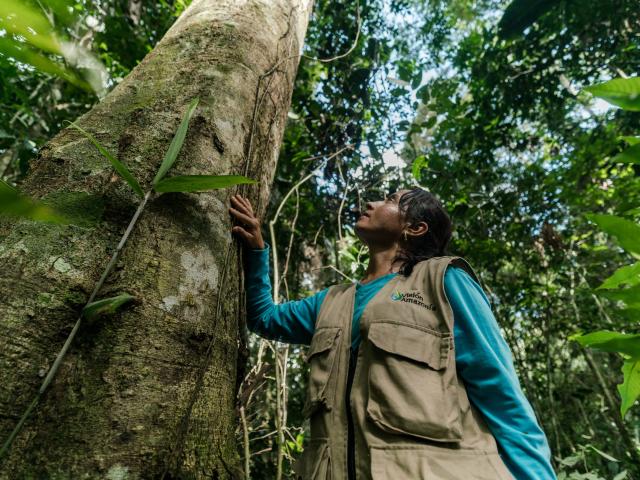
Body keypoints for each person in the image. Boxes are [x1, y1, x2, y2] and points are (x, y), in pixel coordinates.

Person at [228, 188, 556, 480]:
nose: (370, 203)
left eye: (390, 200)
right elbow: (264, 319)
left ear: (415, 227)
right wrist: (257, 250)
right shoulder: (331, 301)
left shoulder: (444, 279)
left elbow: (498, 387)